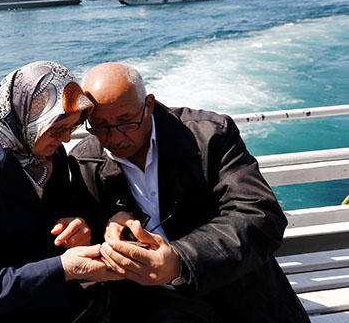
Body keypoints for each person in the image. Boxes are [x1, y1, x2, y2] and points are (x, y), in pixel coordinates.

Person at [69, 62, 309, 322]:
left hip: (235, 289)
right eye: (100, 126)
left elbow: (261, 216)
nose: (114, 138)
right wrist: (90, 231)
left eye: (126, 122)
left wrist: (180, 260)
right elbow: (85, 242)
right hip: (146, 304)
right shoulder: (83, 161)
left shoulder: (211, 136)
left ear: (149, 104)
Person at [0, 61, 121, 323]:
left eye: (71, 128)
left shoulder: (49, 155)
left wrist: (76, 227)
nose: (65, 140)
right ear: (26, 119)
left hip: (36, 305)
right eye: (56, 128)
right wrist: (62, 267)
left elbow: (53, 223)